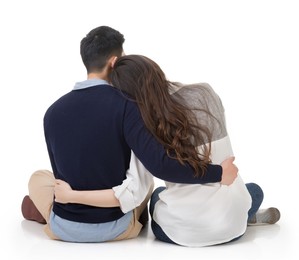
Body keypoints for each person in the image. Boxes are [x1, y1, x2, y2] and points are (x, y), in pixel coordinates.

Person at [21, 26, 237, 243]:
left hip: (65, 226)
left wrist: (71, 196)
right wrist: (218, 173)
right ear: (114, 62)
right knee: (147, 185)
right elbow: (158, 166)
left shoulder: (51, 112)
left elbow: (60, 173)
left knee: (40, 178)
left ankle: (44, 211)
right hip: (116, 227)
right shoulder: (129, 107)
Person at [53, 54, 280, 246]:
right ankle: (245, 215)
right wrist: (220, 174)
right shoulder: (205, 92)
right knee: (252, 190)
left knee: (156, 197)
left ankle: (235, 215)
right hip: (234, 223)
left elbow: (156, 173)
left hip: (187, 233)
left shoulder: (144, 122)